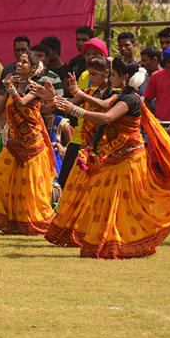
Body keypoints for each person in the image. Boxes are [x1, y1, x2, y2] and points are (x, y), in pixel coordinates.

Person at [54, 58, 170, 258]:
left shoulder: (130, 100)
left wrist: (74, 110)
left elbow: (107, 117)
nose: (111, 78)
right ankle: (108, 242)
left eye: (114, 75)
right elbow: (102, 107)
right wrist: (67, 99)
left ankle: (126, 243)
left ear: (125, 77)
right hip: (116, 158)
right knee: (105, 200)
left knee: (126, 205)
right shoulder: (120, 96)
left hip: (130, 159)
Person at [0, 51, 56, 235]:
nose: (18, 64)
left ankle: (31, 223)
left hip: (32, 147)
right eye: (18, 61)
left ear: (33, 68)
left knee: (29, 188)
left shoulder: (35, 88)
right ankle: (1, 221)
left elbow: (21, 103)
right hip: (14, 146)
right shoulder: (11, 88)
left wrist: (10, 87)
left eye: (24, 62)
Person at [45, 55, 114, 247]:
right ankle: (78, 231)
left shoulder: (115, 94)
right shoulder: (90, 92)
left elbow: (104, 106)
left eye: (95, 74)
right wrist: (51, 98)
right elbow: (69, 103)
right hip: (86, 147)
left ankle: (99, 233)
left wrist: (80, 95)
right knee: (75, 188)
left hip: (105, 150)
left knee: (99, 193)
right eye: (89, 74)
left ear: (106, 74)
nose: (91, 78)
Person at [58, 37, 109, 188]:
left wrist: (77, 98)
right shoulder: (85, 75)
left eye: (95, 54)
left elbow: (103, 105)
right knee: (66, 181)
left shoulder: (113, 87)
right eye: (88, 54)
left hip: (100, 140)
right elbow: (77, 100)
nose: (91, 57)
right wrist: (53, 99)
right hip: (79, 135)